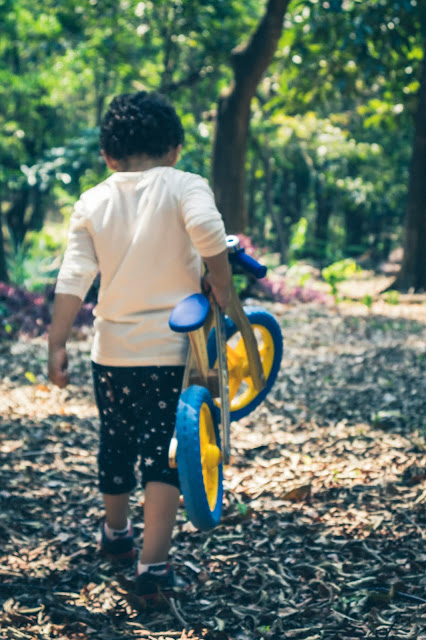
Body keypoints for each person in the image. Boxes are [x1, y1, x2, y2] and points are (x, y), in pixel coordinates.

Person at [48, 91, 231, 604]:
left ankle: (116, 535)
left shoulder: (93, 200)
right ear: (174, 148)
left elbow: (73, 277)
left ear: (108, 155)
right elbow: (209, 231)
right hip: (169, 353)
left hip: (109, 352)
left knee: (117, 441)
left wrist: (56, 342)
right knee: (165, 455)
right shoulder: (185, 185)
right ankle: (152, 570)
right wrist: (225, 287)